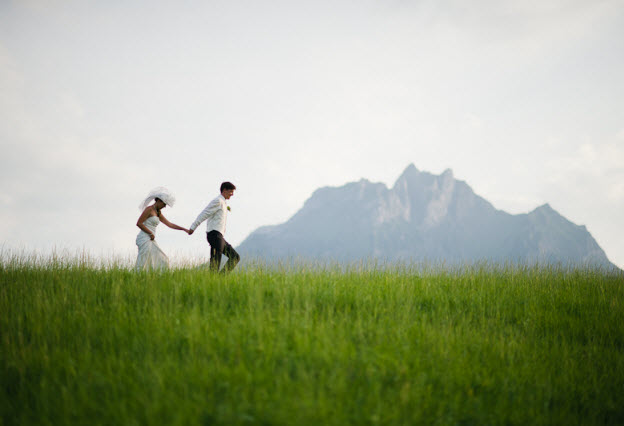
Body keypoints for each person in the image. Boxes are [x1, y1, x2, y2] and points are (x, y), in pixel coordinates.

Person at [189, 182, 240, 273]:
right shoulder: (218, 201)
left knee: (235, 257)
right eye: (231, 191)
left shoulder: (223, 202)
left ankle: (220, 279)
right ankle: (215, 282)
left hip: (219, 236)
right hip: (214, 235)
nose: (232, 194)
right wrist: (193, 227)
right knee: (215, 265)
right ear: (224, 190)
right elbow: (204, 213)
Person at [135, 187, 190, 271]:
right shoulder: (149, 209)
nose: (164, 206)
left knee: (163, 260)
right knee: (143, 262)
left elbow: (170, 224)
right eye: (164, 204)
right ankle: (137, 277)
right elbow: (139, 223)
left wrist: (183, 229)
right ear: (159, 201)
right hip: (144, 238)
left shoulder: (158, 213)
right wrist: (150, 233)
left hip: (151, 239)